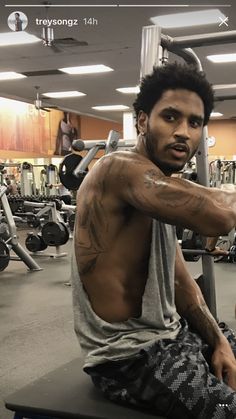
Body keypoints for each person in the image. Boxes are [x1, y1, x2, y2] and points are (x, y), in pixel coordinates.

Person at [71, 63, 236, 419]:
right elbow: (220, 216)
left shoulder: (158, 192)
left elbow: (180, 281)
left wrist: (218, 341)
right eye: (171, 117)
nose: (183, 133)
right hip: (129, 359)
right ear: (143, 121)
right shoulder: (117, 170)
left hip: (173, 337)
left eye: (194, 123)